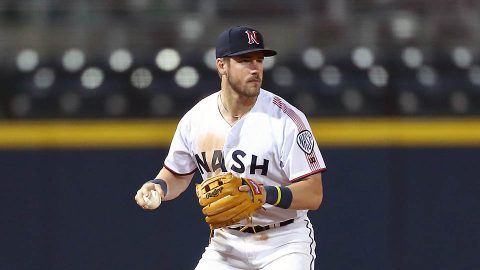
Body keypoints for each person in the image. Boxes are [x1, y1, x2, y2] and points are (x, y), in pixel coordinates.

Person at [135, 25, 326, 270]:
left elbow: (313, 193)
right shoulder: (197, 118)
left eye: (259, 59)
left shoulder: (287, 120)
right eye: (245, 60)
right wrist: (159, 187)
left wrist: (265, 193)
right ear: (221, 65)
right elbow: (176, 174)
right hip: (226, 244)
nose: (255, 68)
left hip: (283, 243)